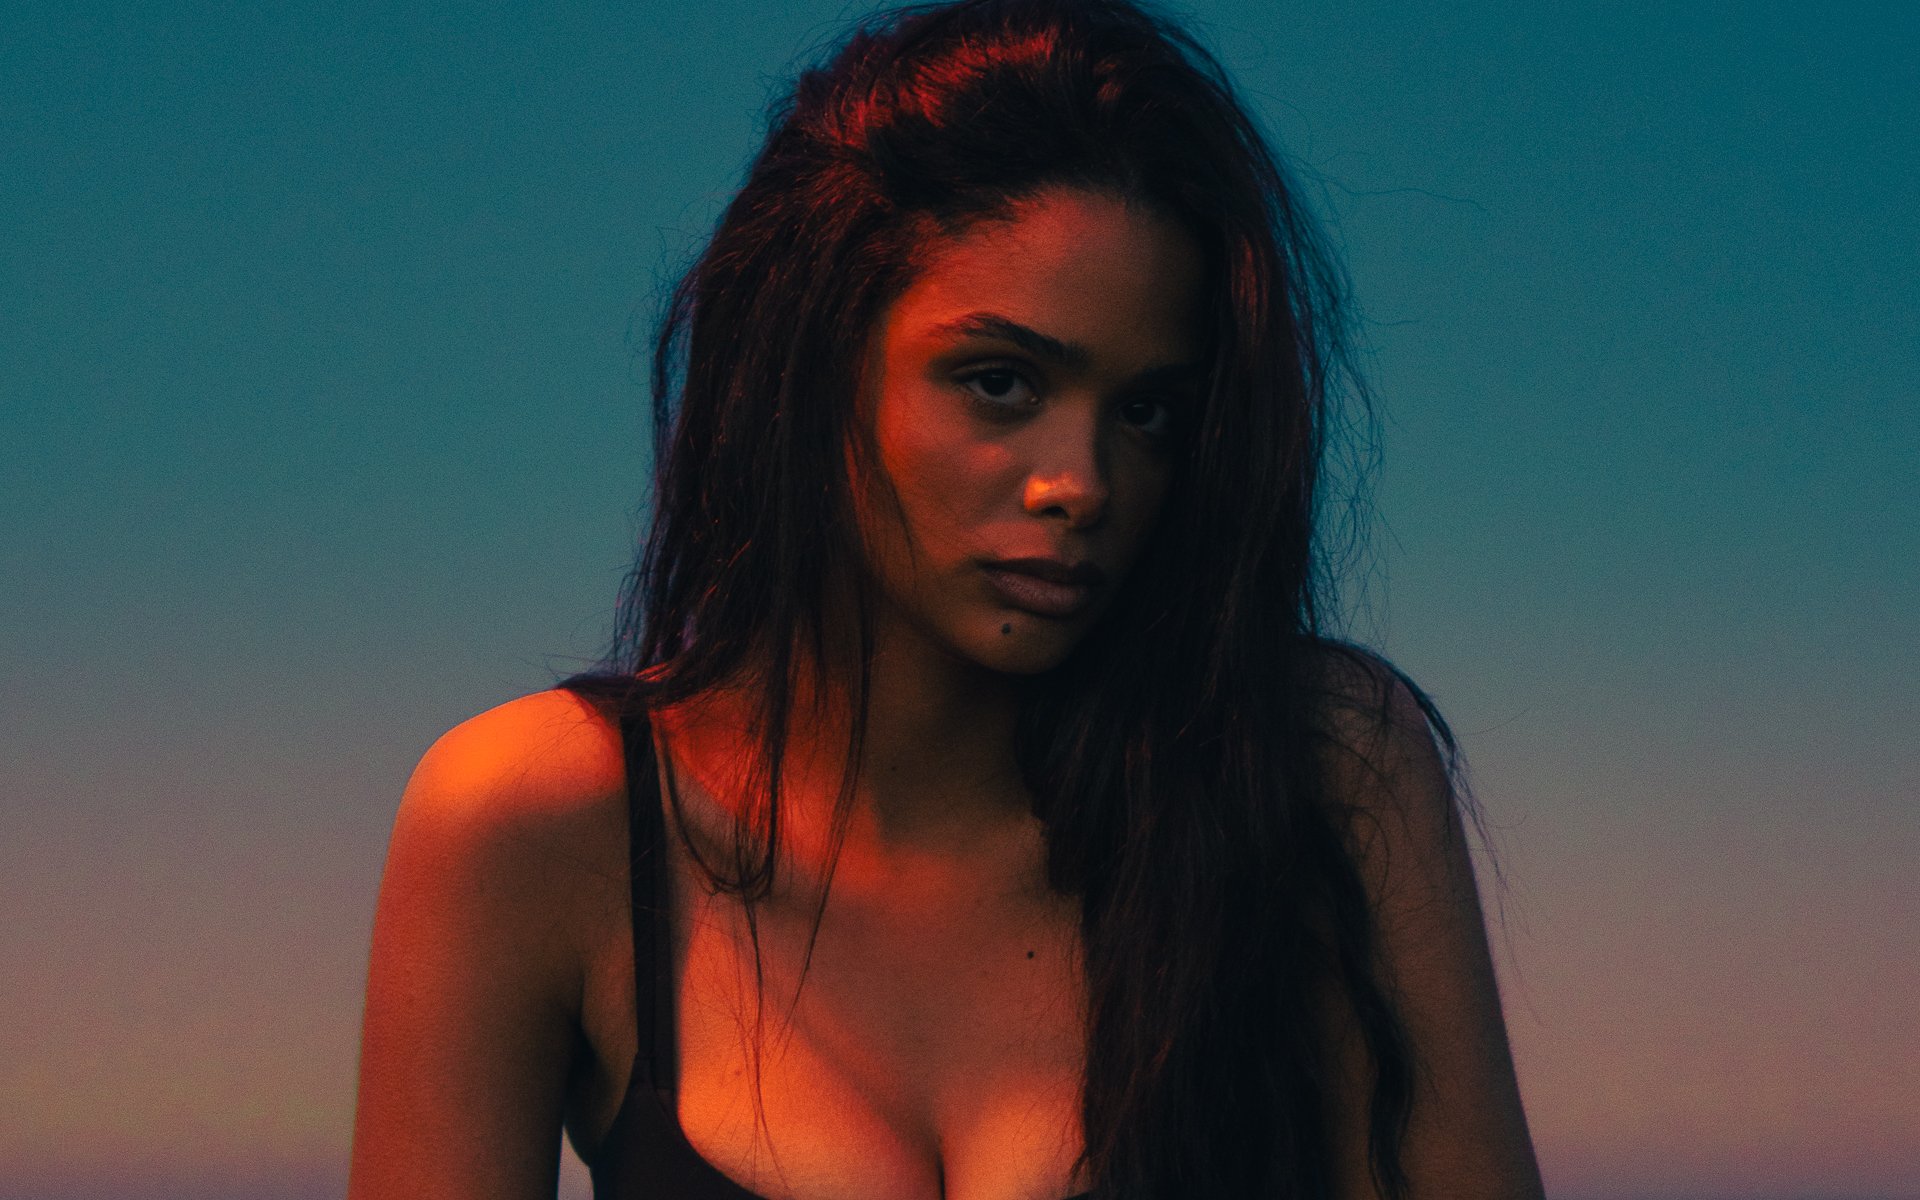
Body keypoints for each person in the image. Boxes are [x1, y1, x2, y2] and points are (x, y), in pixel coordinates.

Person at [347, 0, 1544, 1196]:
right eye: (1000, 382)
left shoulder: (1309, 765)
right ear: (810, 362)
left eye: (1148, 413)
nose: (1083, 484)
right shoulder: (540, 825)